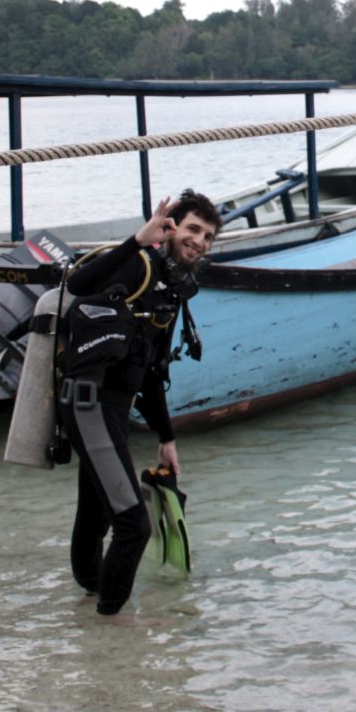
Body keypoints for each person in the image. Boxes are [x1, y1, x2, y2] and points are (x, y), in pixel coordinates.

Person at [58, 188, 220, 616]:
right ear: (170, 228)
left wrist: (166, 438)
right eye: (192, 229)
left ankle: (90, 600)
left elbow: (151, 375)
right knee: (133, 524)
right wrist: (137, 239)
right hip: (88, 405)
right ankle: (111, 628)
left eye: (208, 236)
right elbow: (77, 283)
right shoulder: (140, 265)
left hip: (110, 412)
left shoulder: (168, 294)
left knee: (95, 515)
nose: (200, 241)